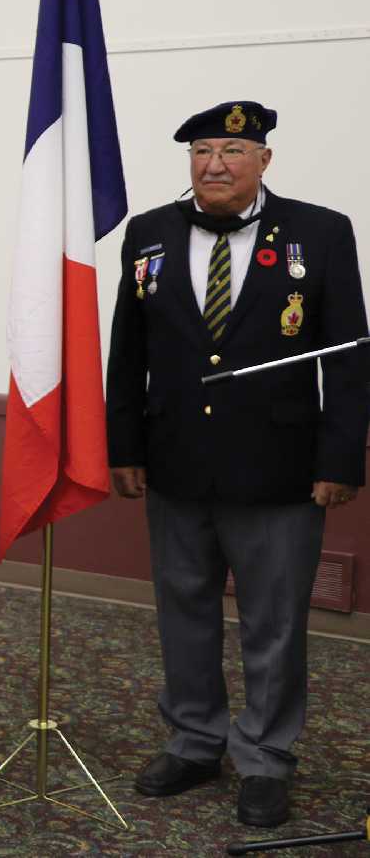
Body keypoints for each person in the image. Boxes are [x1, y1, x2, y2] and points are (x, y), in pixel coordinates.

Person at [106, 101, 368, 828]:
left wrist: (341, 457)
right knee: (182, 610)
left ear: (264, 160)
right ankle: (195, 739)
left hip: (281, 468)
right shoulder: (149, 234)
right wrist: (123, 446)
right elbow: (128, 351)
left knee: (274, 621)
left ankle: (265, 755)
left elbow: (349, 356)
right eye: (201, 151)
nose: (214, 164)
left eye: (231, 150)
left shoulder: (320, 231)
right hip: (177, 461)